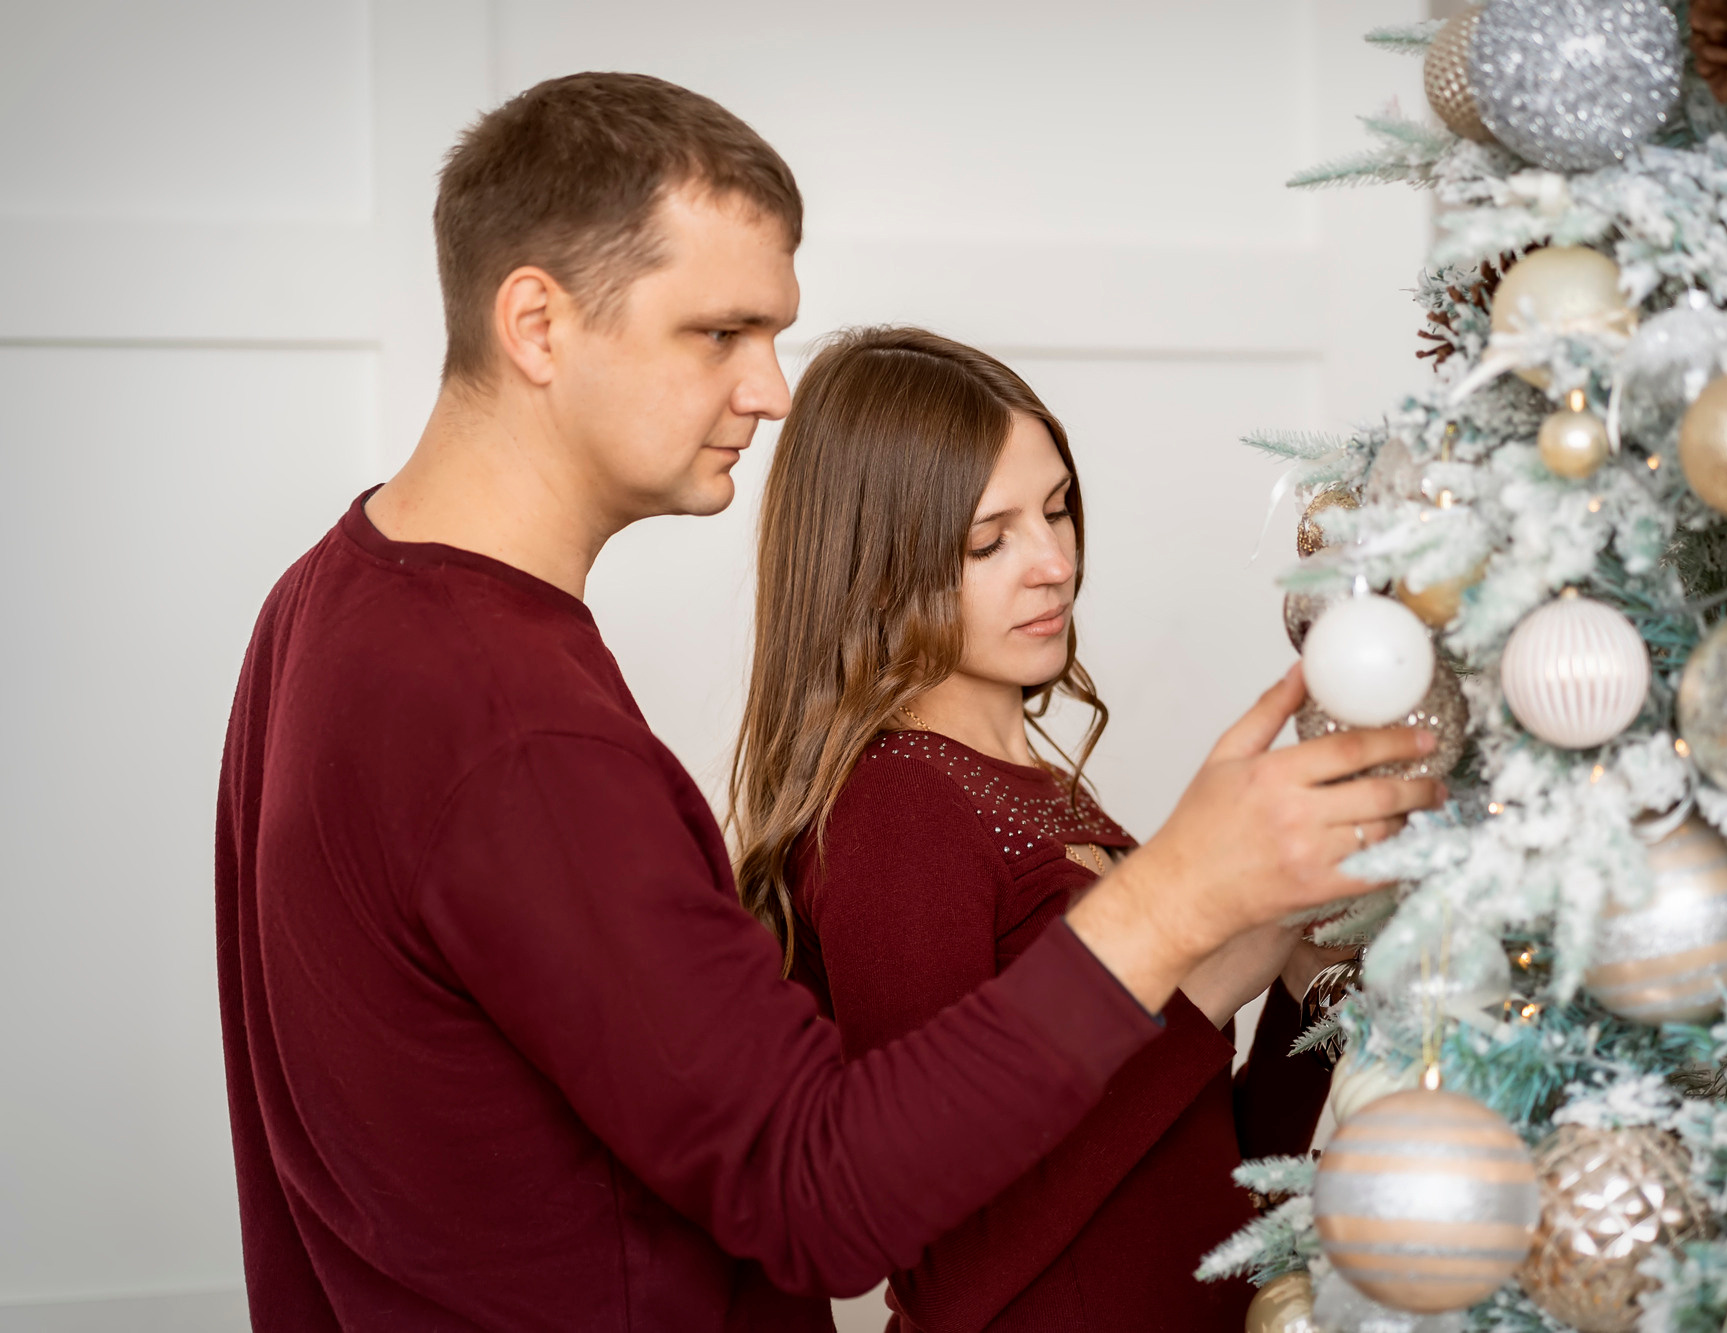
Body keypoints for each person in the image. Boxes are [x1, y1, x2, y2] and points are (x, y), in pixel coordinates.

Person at [215, 73, 1441, 1332]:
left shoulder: (327, 601)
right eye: (719, 333)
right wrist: (1179, 891)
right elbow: (821, 1193)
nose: (772, 390)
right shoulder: (512, 728)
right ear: (536, 323)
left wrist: (1249, 940)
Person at [731, 328, 1425, 1331]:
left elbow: (1200, 1178)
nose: (1054, 562)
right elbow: (952, 1266)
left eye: (1057, 509)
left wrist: (1304, 971)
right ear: (876, 567)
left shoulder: (1044, 792)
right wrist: (1208, 969)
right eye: (990, 539)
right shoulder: (895, 806)